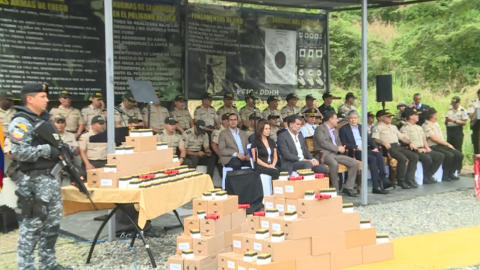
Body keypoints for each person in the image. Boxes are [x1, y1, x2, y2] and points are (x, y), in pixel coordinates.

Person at [10, 83, 72, 270]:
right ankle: (26, 267)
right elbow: (18, 152)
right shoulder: (21, 122)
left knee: (52, 226)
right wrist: (47, 150)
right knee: (32, 228)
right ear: (30, 99)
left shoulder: (44, 121)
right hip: (34, 183)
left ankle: (48, 264)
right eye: (42, 96)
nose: (47, 100)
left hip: (51, 180)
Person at [339, 111, 391, 194]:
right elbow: (344, 143)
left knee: (378, 154)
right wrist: (356, 147)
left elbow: (369, 139)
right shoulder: (344, 129)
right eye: (351, 118)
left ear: (358, 119)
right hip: (354, 151)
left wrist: (375, 147)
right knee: (372, 159)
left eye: (355, 118)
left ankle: (383, 177)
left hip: (364, 150)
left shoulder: (361, 127)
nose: (353, 120)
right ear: (348, 119)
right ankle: (376, 186)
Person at [314, 111, 359, 196]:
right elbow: (323, 143)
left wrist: (341, 148)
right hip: (324, 154)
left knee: (354, 163)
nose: (337, 121)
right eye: (335, 118)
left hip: (335, 154)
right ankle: (335, 190)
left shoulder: (335, 130)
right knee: (334, 164)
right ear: (330, 119)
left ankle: (348, 187)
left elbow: (338, 143)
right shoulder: (320, 129)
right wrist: (337, 148)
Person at [372, 109, 419, 189]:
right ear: (382, 117)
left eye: (390, 116)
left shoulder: (394, 127)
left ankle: (410, 179)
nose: (390, 118)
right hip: (388, 148)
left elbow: (402, 137)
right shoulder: (378, 127)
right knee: (402, 158)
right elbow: (375, 139)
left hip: (398, 146)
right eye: (387, 117)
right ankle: (401, 180)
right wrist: (383, 142)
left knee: (415, 156)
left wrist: (409, 142)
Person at [400, 108, 444, 184]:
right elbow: (405, 142)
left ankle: (429, 175)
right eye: (416, 115)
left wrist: (427, 148)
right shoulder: (405, 128)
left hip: (423, 148)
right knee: (427, 158)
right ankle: (425, 177)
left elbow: (424, 139)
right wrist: (418, 149)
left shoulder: (419, 127)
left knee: (439, 156)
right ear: (410, 117)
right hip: (413, 150)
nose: (418, 116)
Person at [423, 108, 463, 181]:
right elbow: (434, 138)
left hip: (441, 145)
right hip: (434, 146)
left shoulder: (436, 123)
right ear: (433, 115)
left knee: (458, 154)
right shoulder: (426, 125)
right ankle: (445, 174)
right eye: (436, 114)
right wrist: (447, 144)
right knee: (449, 155)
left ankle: (452, 172)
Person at [468, 89, 480, 154]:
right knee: (477, 148)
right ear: (479, 95)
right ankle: (477, 164)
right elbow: (471, 115)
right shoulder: (473, 103)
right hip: (477, 128)